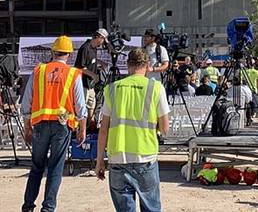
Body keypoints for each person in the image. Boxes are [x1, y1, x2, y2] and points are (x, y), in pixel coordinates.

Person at [95, 48, 170, 212]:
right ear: (147, 65)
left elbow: (103, 130)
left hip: (117, 158)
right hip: (145, 156)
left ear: (128, 65)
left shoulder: (112, 89)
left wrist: (100, 160)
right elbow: (165, 129)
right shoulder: (156, 88)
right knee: (151, 208)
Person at [20, 35, 87, 212]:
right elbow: (81, 105)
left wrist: (27, 127)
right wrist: (82, 129)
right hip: (62, 125)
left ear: (53, 51)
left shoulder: (39, 71)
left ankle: (28, 206)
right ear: (69, 55)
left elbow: (26, 102)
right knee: (55, 167)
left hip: (40, 125)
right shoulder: (73, 74)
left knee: (36, 167)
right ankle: (48, 208)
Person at [74, 28, 108, 116]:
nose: (103, 42)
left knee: (91, 108)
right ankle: (82, 128)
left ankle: (88, 126)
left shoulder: (94, 48)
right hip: (83, 84)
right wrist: (94, 75)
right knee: (82, 109)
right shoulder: (85, 48)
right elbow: (79, 67)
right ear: (99, 37)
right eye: (103, 39)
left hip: (91, 85)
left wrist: (101, 63)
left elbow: (92, 61)